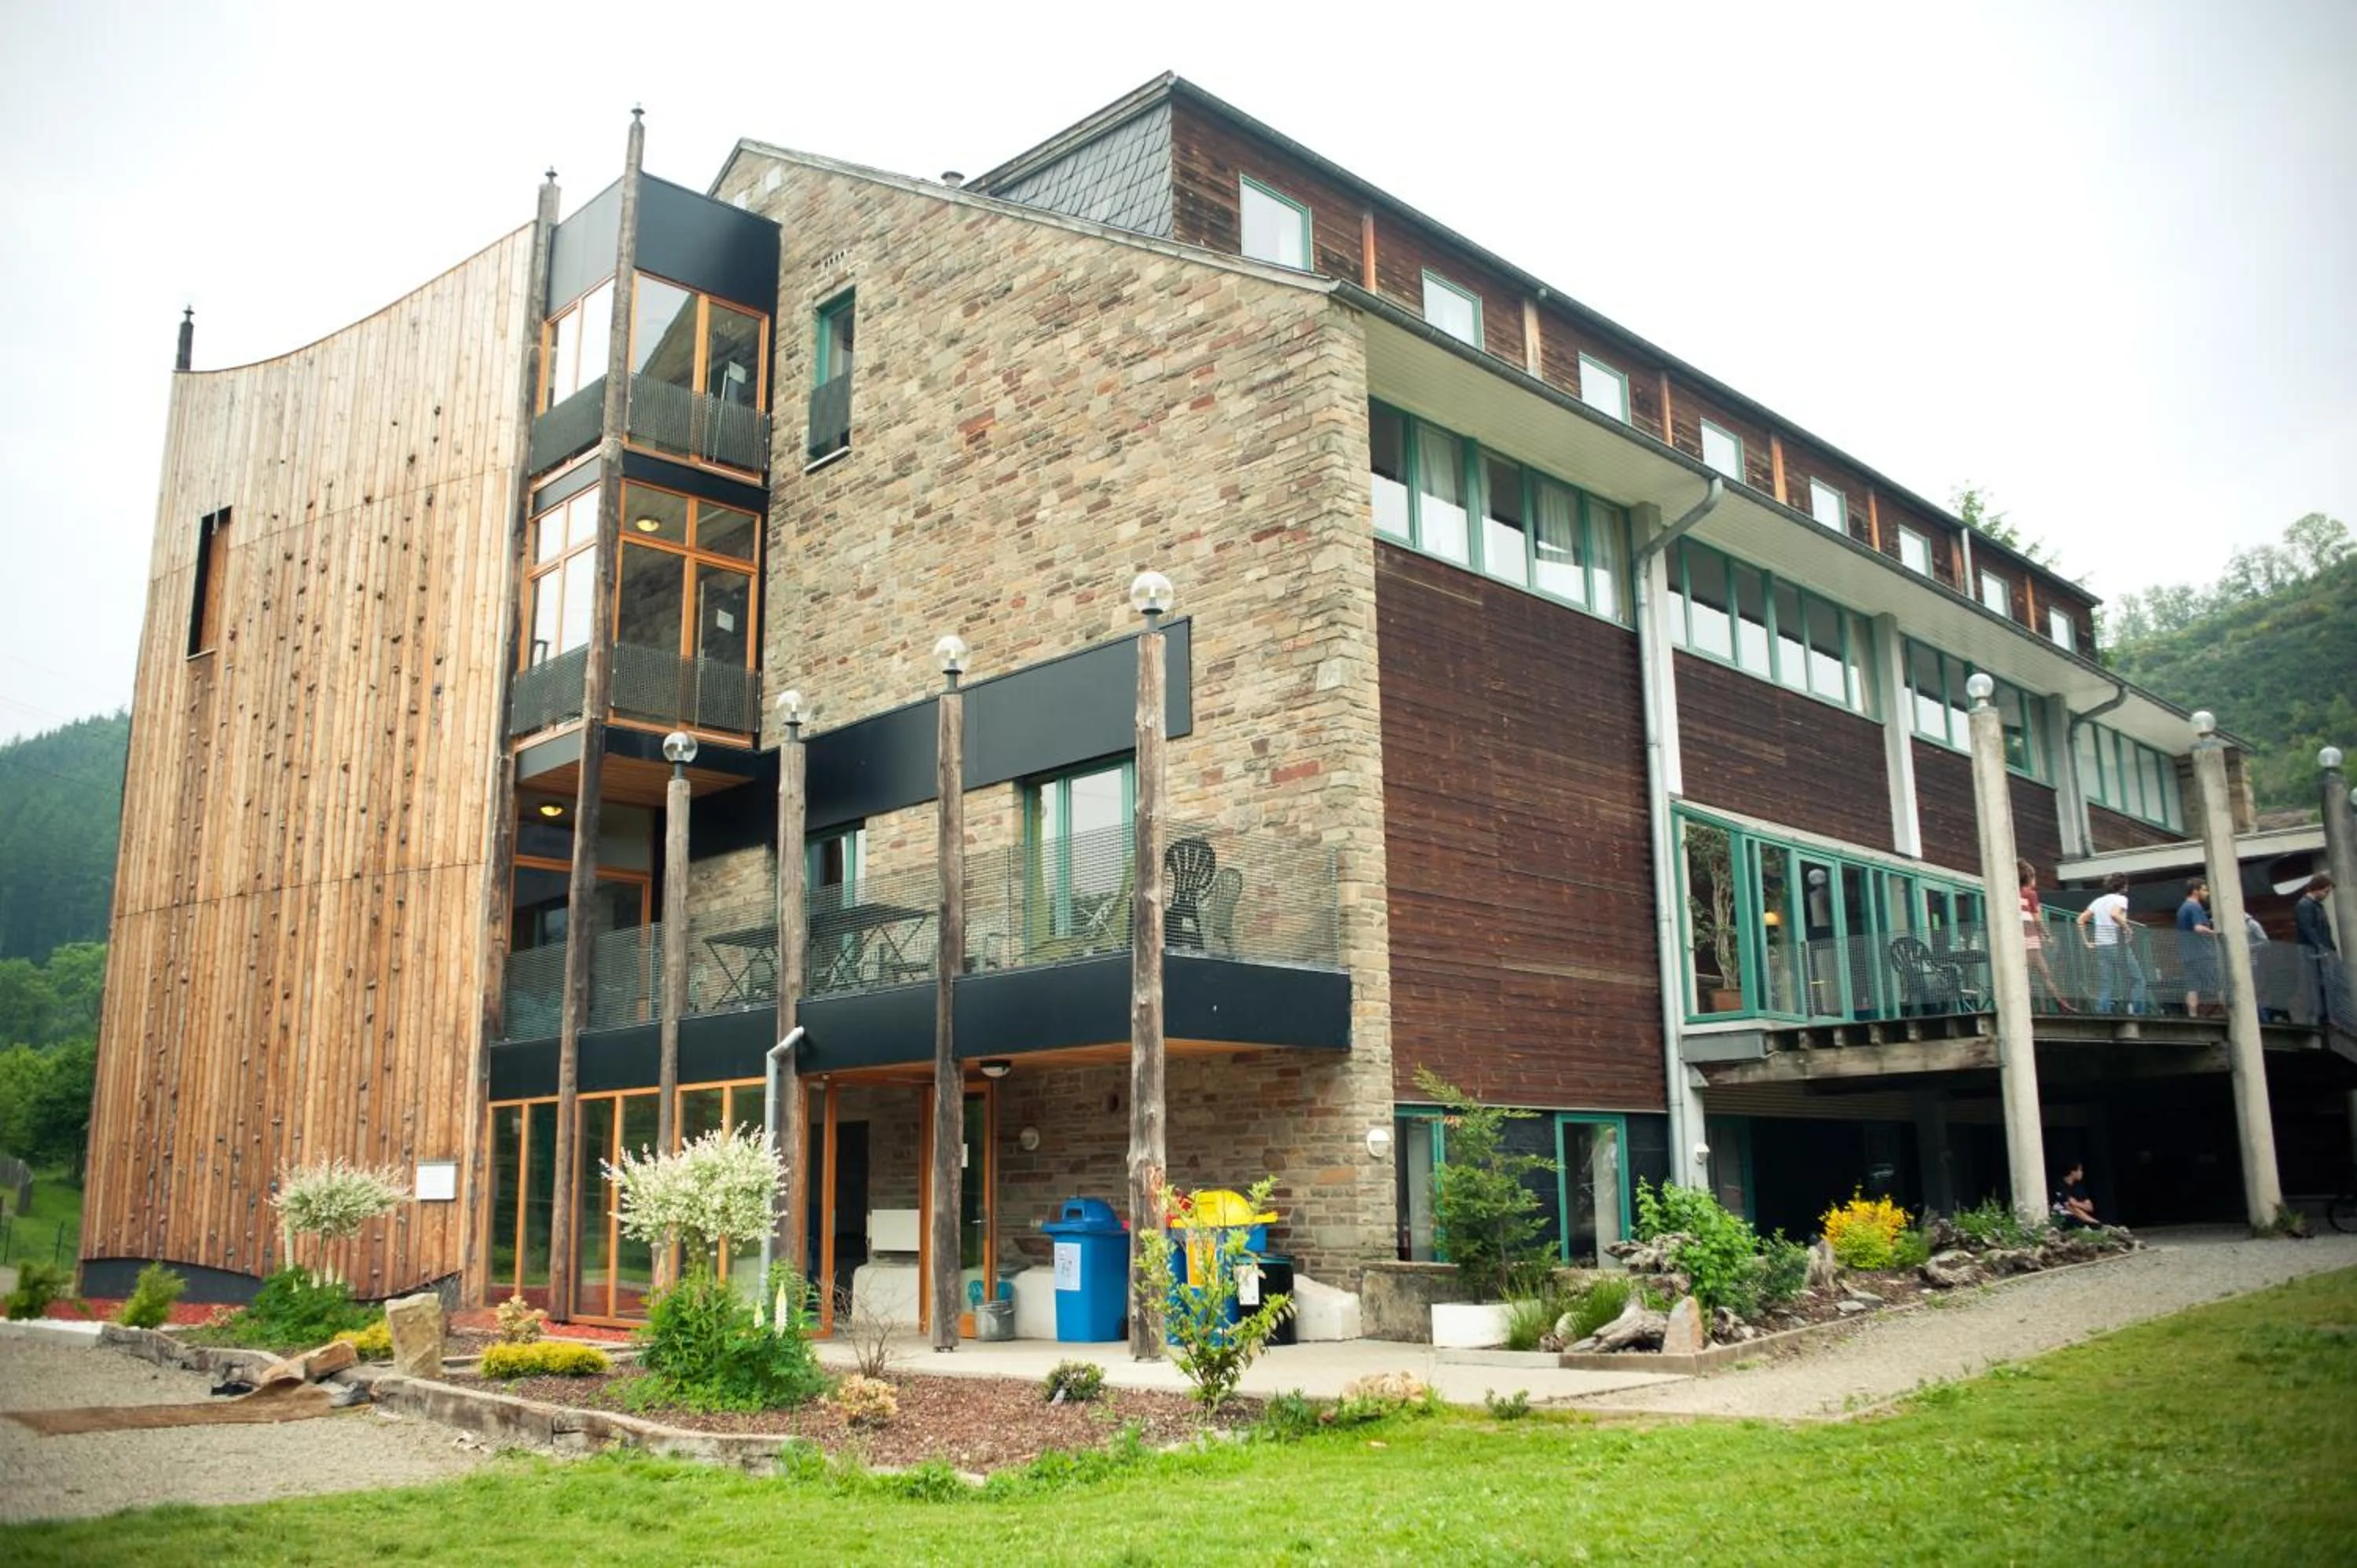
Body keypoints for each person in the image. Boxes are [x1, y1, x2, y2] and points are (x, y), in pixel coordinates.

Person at [2077, 872, 2143, 1015]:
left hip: (2102, 945)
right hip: (2117, 944)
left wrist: (2087, 942)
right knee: (2137, 980)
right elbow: (2115, 914)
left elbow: (2080, 919)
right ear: (2123, 886)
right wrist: (2127, 929)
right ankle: (2137, 1012)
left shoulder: (2098, 901)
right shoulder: (2121, 899)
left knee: (2106, 984)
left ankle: (2102, 1013)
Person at [2019, 859, 2075, 1012]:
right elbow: (2037, 918)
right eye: (2034, 877)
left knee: (2041, 972)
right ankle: (2031, 1008)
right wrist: (2047, 935)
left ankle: (2061, 1002)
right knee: (2038, 974)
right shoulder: (2031, 894)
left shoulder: (2015, 893)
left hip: (2021, 938)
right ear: (2029, 878)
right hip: (2031, 939)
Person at [2296, 874, 2338, 1024]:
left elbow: (2325, 930)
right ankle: (2322, 1017)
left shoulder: (2316, 906)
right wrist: (2321, 948)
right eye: (2326, 891)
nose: (2327, 895)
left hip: (2322, 951)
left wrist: (2331, 949)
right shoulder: (2305, 905)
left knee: (2325, 982)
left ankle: (2328, 1016)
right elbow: (2308, 929)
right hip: (2313, 952)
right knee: (2317, 983)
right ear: (2317, 888)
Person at [2176, 877, 2218, 1017]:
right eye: (2204, 890)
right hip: (2202, 953)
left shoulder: (2182, 908)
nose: (2207, 893)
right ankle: (2230, 1015)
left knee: (2192, 988)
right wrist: (2214, 933)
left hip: (2187, 954)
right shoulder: (2195, 907)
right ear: (2195, 891)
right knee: (2218, 984)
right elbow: (2198, 927)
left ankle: (2192, 1015)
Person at [2051, 1161, 2102, 1229]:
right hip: (2061, 1215)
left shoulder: (2078, 1187)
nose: (2082, 1173)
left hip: (2078, 1215)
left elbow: (2090, 1207)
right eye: (2080, 1170)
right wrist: (2091, 1220)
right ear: (2073, 1172)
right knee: (2076, 1222)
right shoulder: (2060, 1185)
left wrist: (2076, 1203)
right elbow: (2071, 1208)